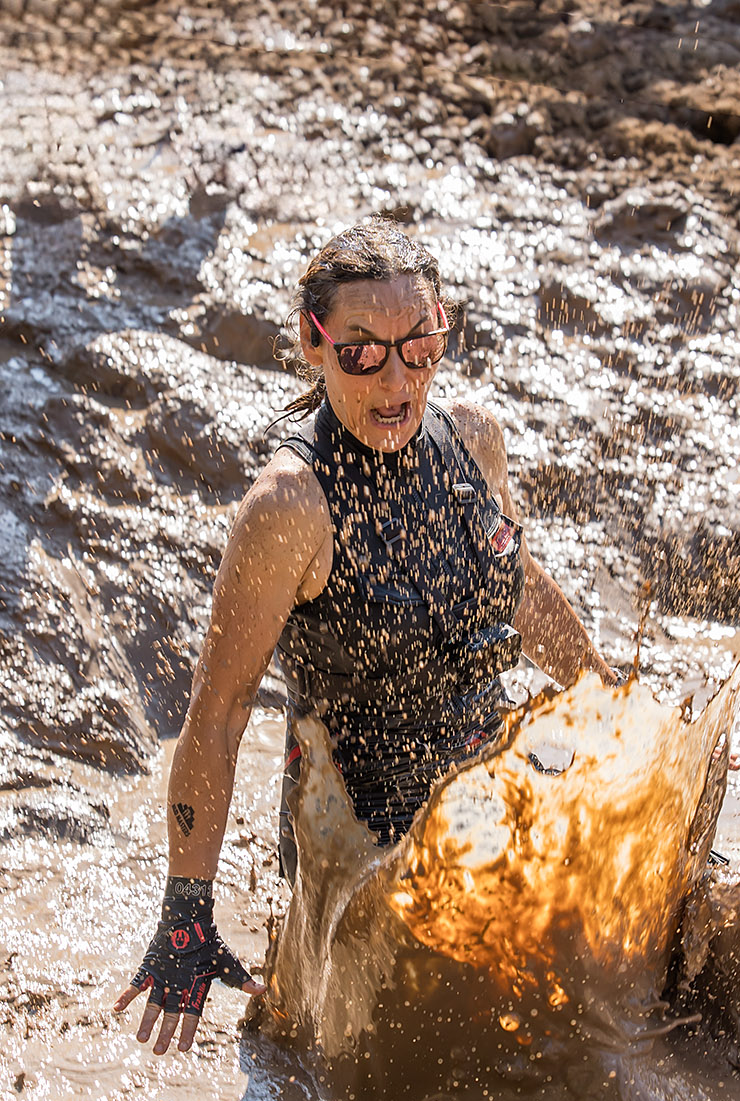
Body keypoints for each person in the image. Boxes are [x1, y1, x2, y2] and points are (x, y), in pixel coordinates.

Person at [114, 217, 616, 1055]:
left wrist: (629, 718)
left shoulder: (473, 440)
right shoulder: (288, 507)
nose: (394, 380)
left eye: (418, 347)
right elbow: (219, 711)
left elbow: (523, 592)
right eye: (360, 354)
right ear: (312, 343)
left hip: (486, 804)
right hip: (360, 854)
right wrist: (186, 912)